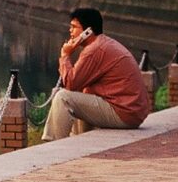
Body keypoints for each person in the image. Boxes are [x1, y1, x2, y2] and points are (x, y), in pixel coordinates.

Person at [42, 8, 150, 142]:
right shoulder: (102, 43)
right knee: (82, 92)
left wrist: (65, 55)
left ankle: (54, 146)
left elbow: (70, 83)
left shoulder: (94, 50)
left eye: (74, 27)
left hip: (123, 113)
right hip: (131, 112)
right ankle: (80, 142)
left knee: (63, 97)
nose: (70, 30)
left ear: (88, 31)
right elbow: (77, 86)